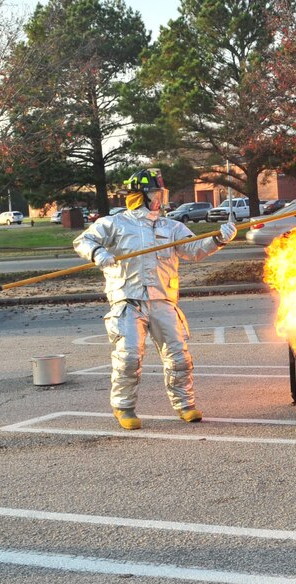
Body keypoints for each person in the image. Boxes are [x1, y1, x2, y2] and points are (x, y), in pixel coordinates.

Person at [73, 169, 237, 430]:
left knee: (179, 357)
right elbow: (83, 240)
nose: (160, 199)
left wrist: (218, 240)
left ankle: (185, 405)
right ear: (140, 196)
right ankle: (123, 407)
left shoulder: (172, 227)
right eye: (155, 194)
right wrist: (97, 253)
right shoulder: (115, 223)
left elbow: (193, 250)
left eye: (162, 193)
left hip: (163, 300)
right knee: (128, 357)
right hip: (128, 301)